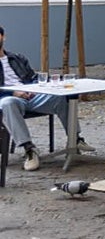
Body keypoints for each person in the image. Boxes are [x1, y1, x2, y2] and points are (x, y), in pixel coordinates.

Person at [0, 26, 91, 171]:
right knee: (8, 103)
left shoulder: (17, 58)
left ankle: (75, 139)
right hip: (9, 98)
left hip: (31, 94)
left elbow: (33, 78)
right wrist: (13, 93)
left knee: (60, 97)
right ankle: (29, 149)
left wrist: (46, 84)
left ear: (3, 37)